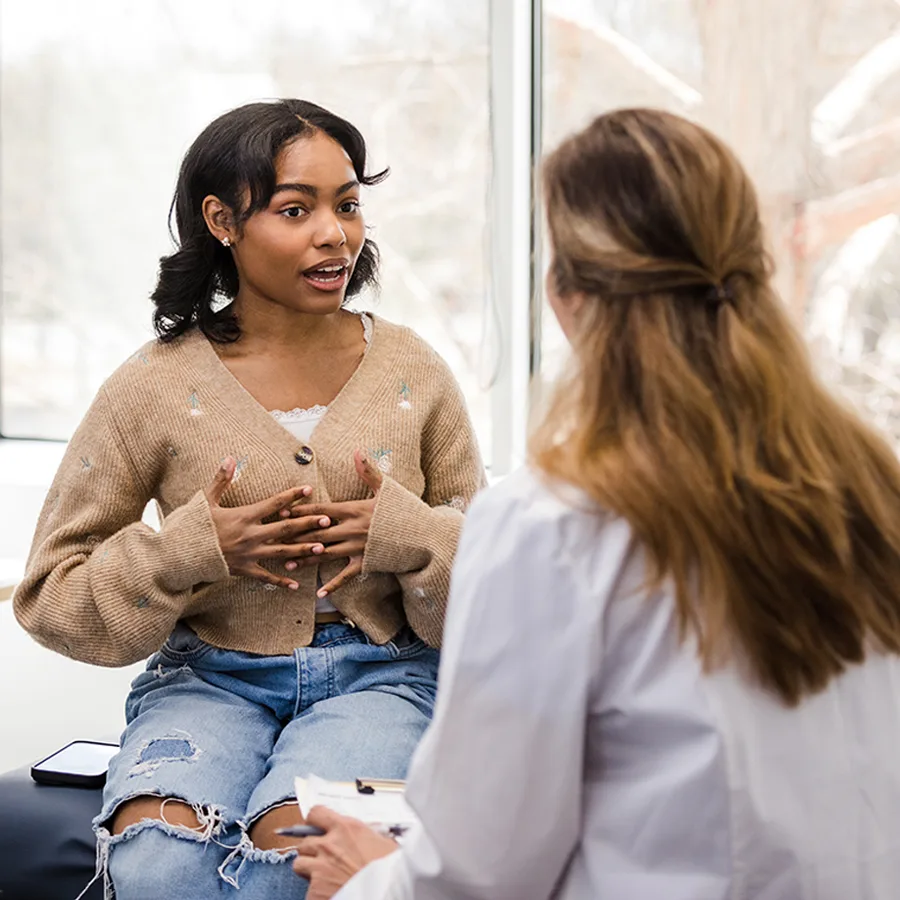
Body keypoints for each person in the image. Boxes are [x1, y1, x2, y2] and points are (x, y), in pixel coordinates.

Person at [290, 108, 900, 900]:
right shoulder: (870, 487)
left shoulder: (555, 528)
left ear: (566, 294)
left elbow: (478, 878)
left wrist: (373, 879)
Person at [13, 98, 485, 899]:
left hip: (385, 677)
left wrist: (408, 536)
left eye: (348, 204)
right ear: (222, 220)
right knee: (159, 868)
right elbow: (52, 593)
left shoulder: (417, 374)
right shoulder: (153, 387)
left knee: (291, 862)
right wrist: (195, 552)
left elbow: (498, 590)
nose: (334, 233)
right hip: (205, 682)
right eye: (296, 210)